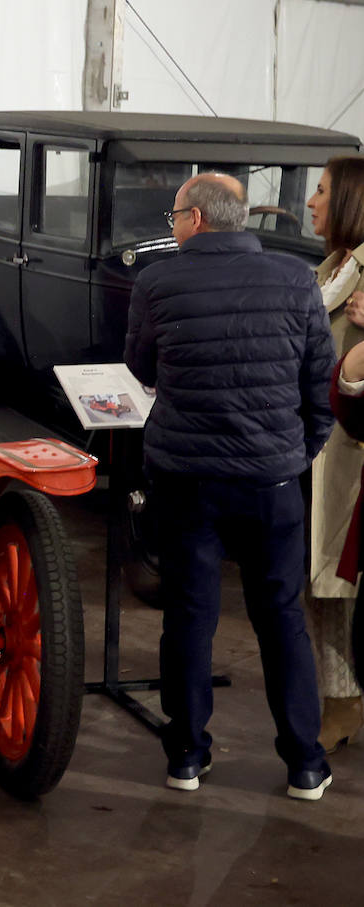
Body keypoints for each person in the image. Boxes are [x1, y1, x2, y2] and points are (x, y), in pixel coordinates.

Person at [124, 172, 336, 799]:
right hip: (273, 481)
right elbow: (320, 383)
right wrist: (298, 453)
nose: (172, 226)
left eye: (173, 217)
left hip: (187, 481)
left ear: (194, 219)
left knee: (190, 617)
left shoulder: (158, 280)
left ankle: (187, 757)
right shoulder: (297, 278)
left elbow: (139, 366)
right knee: (281, 619)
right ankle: (304, 763)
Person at [304, 156, 364, 752]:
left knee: (339, 586)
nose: (311, 201)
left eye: (320, 191)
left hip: (354, 457)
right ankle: (340, 701)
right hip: (323, 451)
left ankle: (345, 705)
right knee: (322, 588)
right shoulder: (333, 268)